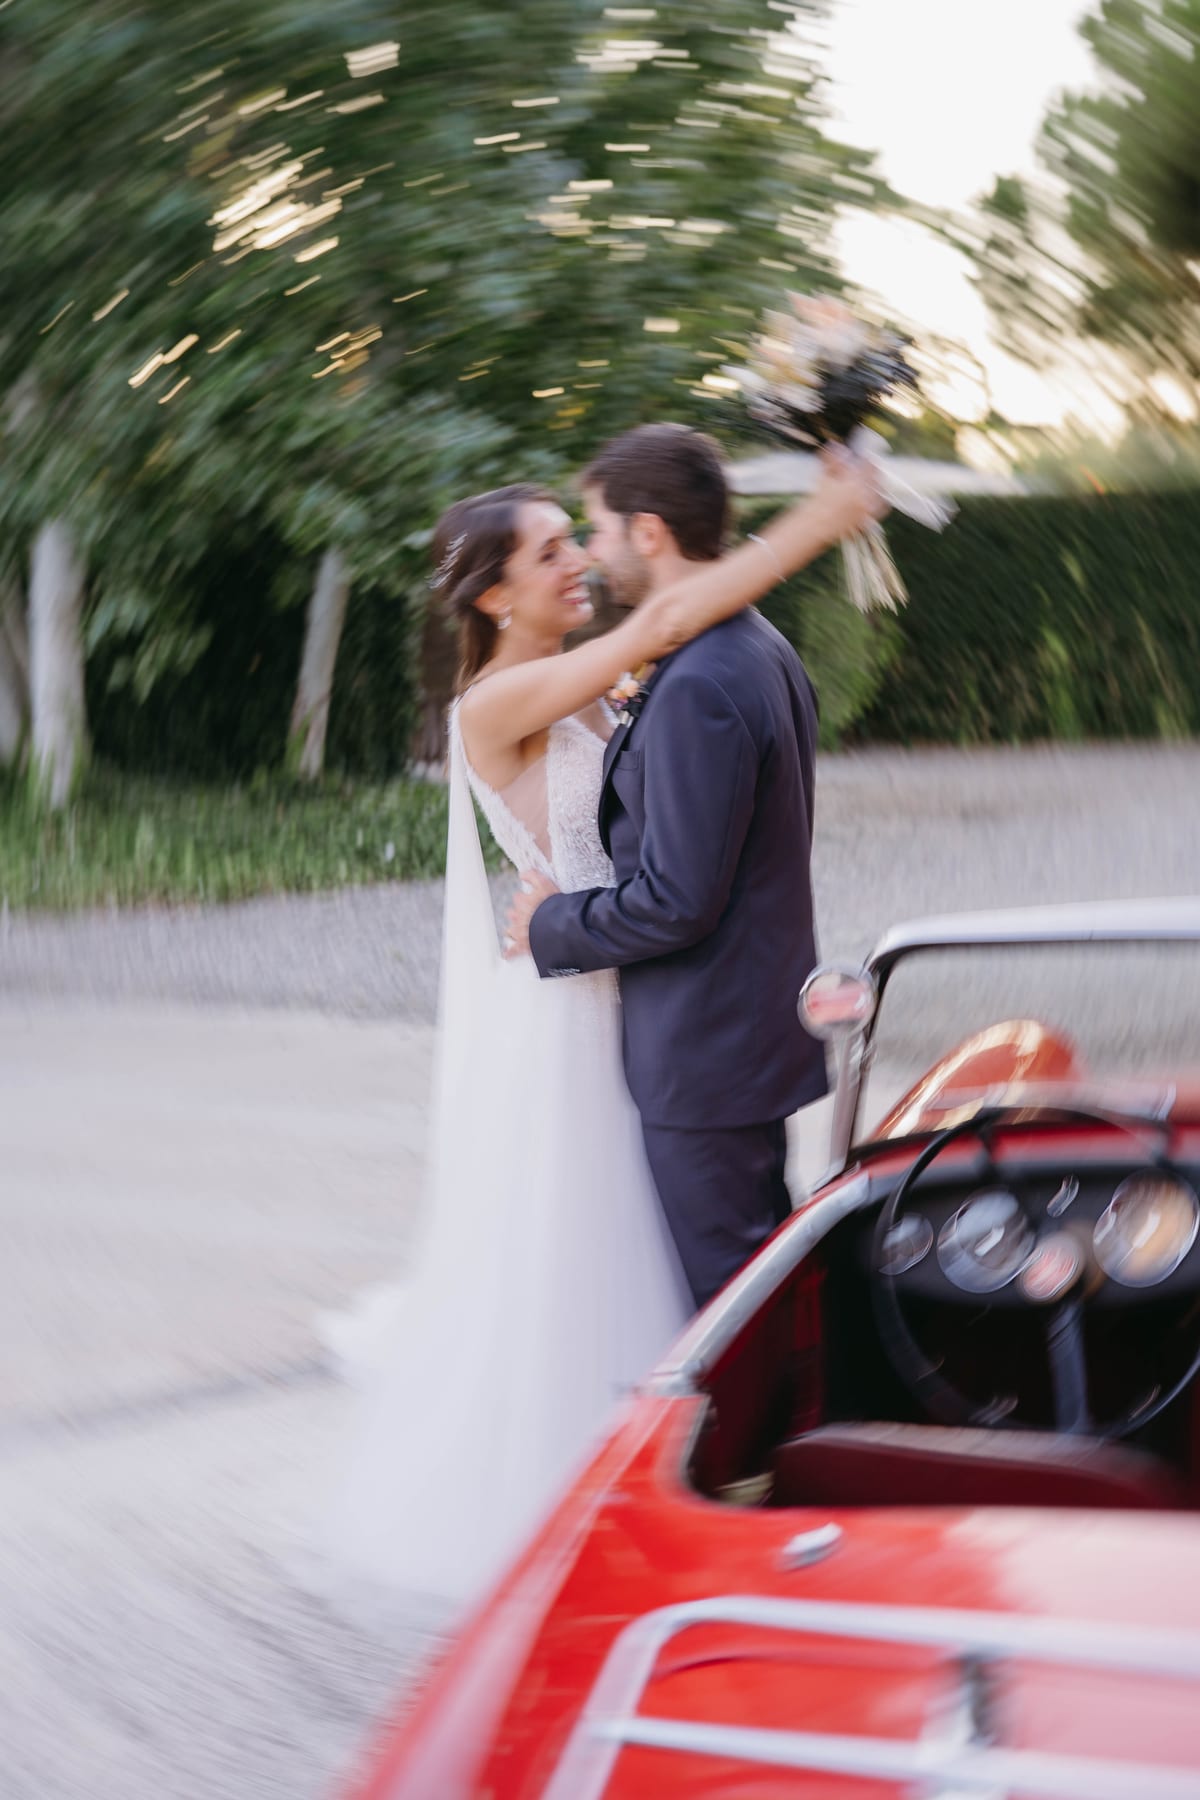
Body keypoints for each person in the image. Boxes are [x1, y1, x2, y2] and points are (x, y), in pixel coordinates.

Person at [320, 439, 880, 1620]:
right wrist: (819, 521)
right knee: (623, 1259)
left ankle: (713, 1475)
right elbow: (668, 619)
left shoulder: (598, 676)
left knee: (684, 1259)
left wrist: (564, 915)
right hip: (584, 1008)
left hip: (638, 1001)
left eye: (579, 536)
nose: (576, 559)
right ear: (492, 596)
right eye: (548, 552)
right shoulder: (498, 698)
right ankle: (683, 1491)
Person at [505, 424, 854, 1311]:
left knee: (732, 1312)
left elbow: (677, 899)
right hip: (739, 1034)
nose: (593, 551)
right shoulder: (755, 644)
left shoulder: (699, 678)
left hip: (707, 1051)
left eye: (598, 529)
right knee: (763, 1285)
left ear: (649, 531)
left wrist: (551, 923)